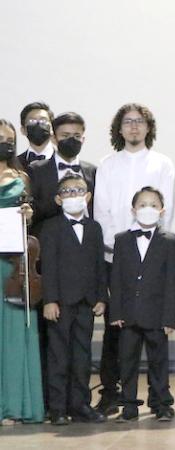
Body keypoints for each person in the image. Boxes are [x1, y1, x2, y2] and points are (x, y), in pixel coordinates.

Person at [93, 103, 175, 416]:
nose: (134, 126)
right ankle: (113, 393)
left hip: (153, 255)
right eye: (127, 122)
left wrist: (156, 247)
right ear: (119, 128)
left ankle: (158, 398)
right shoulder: (107, 164)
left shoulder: (162, 164)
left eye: (139, 121)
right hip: (115, 255)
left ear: (148, 127)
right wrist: (118, 245)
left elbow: (167, 207)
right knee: (116, 330)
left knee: (154, 334)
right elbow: (101, 210)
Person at [109, 187, 175, 422]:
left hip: (157, 314)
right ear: (133, 210)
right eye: (142, 205)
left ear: (162, 211)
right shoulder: (122, 240)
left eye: (153, 205)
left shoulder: (171, 241)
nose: (147, 209)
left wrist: (169, 318)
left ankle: (162, 403)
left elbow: (172, 282)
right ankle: (129, 405)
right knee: (127, 361)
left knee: (158, 361)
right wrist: (116, 312)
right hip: (128, 313)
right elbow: (116, 278)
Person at [41, 174, 107, 425]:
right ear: (59, 199)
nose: (73, 195)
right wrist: (50, 300)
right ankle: (57, 408)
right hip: (60, 302)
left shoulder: (94, 228)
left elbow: (99, 265)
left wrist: (101, 297)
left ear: (87, 197)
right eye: (67, 191)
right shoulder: (51, 228)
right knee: (58, 356)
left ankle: (80, 405)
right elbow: (48, 267)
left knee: (82, 356)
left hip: (86, 302)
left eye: (78, 190)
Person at [0, 119, 43, 425]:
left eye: (9, 140)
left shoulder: (21, 177)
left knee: (14, 335)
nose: (4, 144)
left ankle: (13, 405)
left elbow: (29, 217)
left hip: (13, 265)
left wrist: (28, 214)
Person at [28, 112, 96, 239]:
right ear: (54, 139)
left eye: (77, 136)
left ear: (83, 139)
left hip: (86, 241)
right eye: (65, 136)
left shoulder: (92, 171)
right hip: (48, 240)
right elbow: (33, 211)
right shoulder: (37, 170)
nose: (71, 140)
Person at [18, 102, 55, 172]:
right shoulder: (14, 164)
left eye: (43, 121)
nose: (38, 124)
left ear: (52, 128)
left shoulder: (63, 160)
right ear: (23, 130)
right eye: (32, 121)